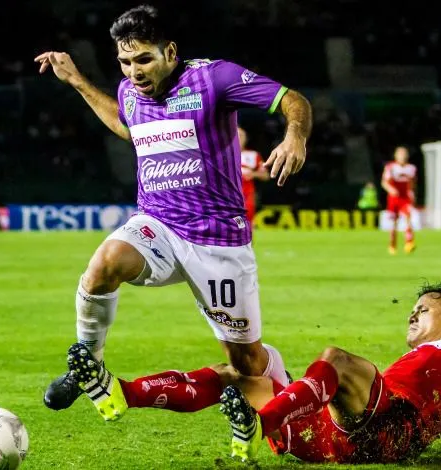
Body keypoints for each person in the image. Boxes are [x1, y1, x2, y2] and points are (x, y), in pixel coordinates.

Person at [35, 4, 312, 418]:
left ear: (170, 51)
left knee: (247, 365)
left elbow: (293, 100)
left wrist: (295, 137)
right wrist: (77, 81)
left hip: (217, 239)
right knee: (103, 265)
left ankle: (277, 377)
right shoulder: (129, 92)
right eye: (125, 62)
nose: (134, 72)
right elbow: (130, 127)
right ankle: (88, 364)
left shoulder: (214, 78)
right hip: (158, 224)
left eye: (144, 59)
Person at [69, 282, 441, 464]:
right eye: (412, 308)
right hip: (326, 438)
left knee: (337, 359)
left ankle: (260, 423)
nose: (413, 313)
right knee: (241, 371)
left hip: (389, 431)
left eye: (424, 308)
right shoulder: (429, 353)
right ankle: (121, 392)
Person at [381, 146, 417, 255]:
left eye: (404, 154)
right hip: (394, 198)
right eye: (400, 154)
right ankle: (392, 244)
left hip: (405, 197)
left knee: (408, 218)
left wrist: (412, 192)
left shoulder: (411, 168)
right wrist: (390, 189)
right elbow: (384, 182)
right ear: (396, 156)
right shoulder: (390, 167)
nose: (402, 157)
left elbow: (412, 183)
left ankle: (409, 242)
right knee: (393, 222)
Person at [238, 127, 269, 225]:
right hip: (227, 195)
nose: (238, 138)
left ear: (246, 138)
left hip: (247, 196)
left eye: (241, 135)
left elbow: (266, 175)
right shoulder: (221, 154)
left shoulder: (253, 155)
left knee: (248, 223)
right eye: (235, 135)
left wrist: (252, 174)